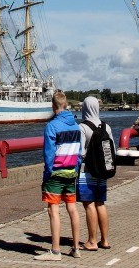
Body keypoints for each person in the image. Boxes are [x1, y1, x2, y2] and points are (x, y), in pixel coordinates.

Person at [34, 91, 82, 261]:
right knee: (72, 208)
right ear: (66, 105)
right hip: (71, 172)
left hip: (55, 172)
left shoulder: (52, 127)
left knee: (53, 210)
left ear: (53, 106)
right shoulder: (76, 126)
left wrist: (47, 174)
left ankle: (55, 251)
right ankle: (76, 248)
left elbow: (49, 154)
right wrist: (75, 169)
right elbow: (79, 152)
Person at [77, 96, 112, 252]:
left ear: (84, 108)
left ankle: (92, 241)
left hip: (87, 171)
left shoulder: (82, 127)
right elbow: (112, 151)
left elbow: (81, 152)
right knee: (100, 203)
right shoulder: (106, 127)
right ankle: (104, 240)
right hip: (102, 172)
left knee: (89, 204)